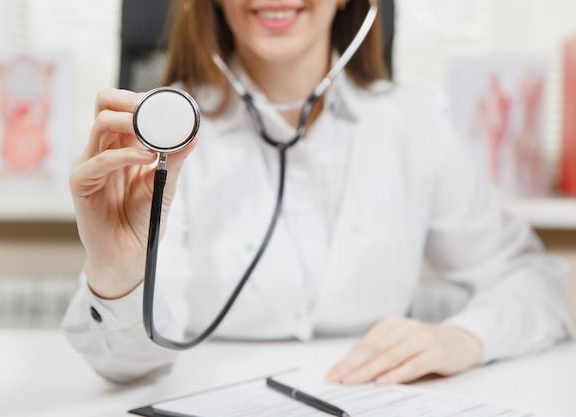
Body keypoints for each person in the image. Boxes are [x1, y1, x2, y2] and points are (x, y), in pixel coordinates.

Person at [62, 0, 573, 385]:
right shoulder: (155, 143)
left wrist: (464, 337)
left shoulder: (415, 123)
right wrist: (120, 272)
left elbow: (543, 283)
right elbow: (127, 365)